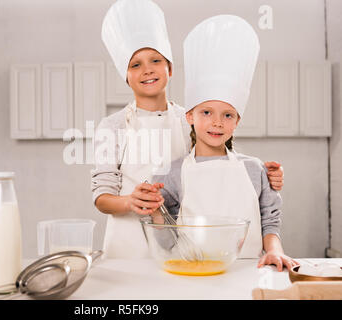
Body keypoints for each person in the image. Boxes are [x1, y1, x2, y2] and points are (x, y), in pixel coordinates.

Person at [92, 0, 284, 259]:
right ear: (125, 75)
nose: (147, 69)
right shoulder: (111, 127)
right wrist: (131, 201)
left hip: (181, 246)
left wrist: (265, 176)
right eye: (135, 64)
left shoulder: (190, 118)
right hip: (127, 247)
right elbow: (102, 198)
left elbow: (218, 161)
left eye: (155, 60)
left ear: (169, 68)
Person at [152, 15, 296, 271]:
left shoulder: (255, 169)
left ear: (237, 121)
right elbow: (166, 240)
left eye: (227, 115)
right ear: (190, 116)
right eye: (206, 112)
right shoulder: (171, 173)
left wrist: (275, 252)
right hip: (193, 275)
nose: (217, 122)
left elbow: (270, 222)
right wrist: (153, 210)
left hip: (250, 271)